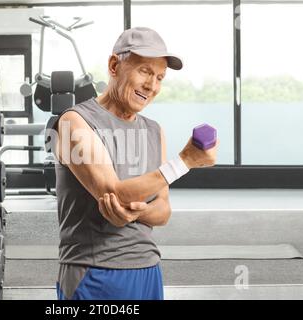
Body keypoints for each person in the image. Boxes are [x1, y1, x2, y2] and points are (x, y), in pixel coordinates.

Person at [52, 27, 218, 300]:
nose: (152, 86)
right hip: (92, 271)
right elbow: (112, 192)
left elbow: (163, 211)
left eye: (159, 77)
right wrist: (185, 161)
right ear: (114, 65)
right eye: (144, 71)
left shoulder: (154, 131)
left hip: (148, 267)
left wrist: (137, 211)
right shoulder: (74, 122)